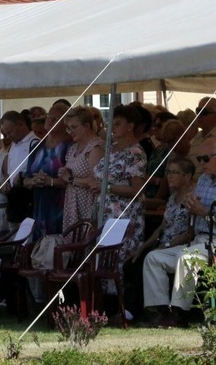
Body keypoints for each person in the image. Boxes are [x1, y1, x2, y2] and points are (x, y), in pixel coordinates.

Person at [142, 138, 216, 327]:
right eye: (199, 159)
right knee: (154, 258)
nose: (201, 163)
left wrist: (205, 213)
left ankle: (179, 313)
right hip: (199, 241)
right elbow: (196, 213)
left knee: (187, 258)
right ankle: (158, 311)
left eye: (205, 159)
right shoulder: (203, 180)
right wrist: (192, 210)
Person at [124, 158, 195, 322]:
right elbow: (161, 228)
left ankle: (139, 312)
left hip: (181, 245)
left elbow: (190, 232)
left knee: (144, 263)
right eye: (168, 172)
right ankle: (136, 310)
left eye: (175, 173)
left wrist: (167, 245)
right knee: (131, 263)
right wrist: (141, 248)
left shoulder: (194, 197)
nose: (169, 176)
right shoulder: (173, 198)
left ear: (187, 176)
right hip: (163, 244)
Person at [87, 104, 147, 289]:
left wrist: (107, 187)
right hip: (104, 213)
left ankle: (123, 306)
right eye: (111, 123)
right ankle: (105, 307)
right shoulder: (110, 149)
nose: (113, 127)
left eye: (118, 123)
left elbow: (137, 190)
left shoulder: (135, 153)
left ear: (130, 126)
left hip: (124, 216)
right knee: (103, 259)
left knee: (118, 259)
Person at [22, 103, 71, 240]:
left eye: (56, 118)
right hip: (39, 207)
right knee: (40, 249)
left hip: (61, 207)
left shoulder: (71, 145)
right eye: (49, 116)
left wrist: (51, 182)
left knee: (57, 249)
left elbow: (73, 180)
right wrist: (32, 181)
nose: (50, 120)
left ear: (65, 122)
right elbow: (26, 179)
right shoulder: (37, 146)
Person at [58, 107, 104, 228]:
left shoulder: (95, 148)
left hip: (88, 203)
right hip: (72, 204)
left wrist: (70, 179)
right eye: (68, 128)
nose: (71, 131)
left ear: (87, 126)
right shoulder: (73, 148)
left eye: (74, 127)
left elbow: (96, 182)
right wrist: (64, 173)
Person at [0, 111, 39, 229]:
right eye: (5, 134)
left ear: (21, 124)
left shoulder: (34, 143)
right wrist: (7, 180)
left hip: (28, 200)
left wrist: (22, 178)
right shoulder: (13, 145)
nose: (8, 137)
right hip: (14, 200)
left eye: (10, 132)